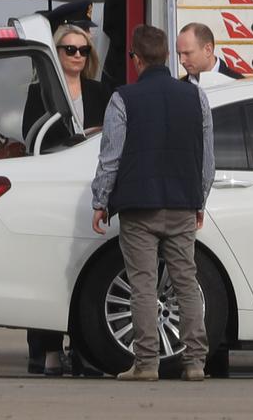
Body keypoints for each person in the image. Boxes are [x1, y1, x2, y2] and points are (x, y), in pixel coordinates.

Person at [90, 25, 215, 381]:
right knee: (185, 282)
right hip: (181, 206)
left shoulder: (122, 99)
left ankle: (146, 364)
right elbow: (207, 158)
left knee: (143, 284)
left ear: (136, 59)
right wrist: (199, 201)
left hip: (138, 208)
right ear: (167, 56)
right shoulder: (196, 98)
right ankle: (194, 362)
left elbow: (111, 157)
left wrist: (101, 200)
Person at [22, 21, 110, 376]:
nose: (76, 55)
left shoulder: (101, 92)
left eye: (82, 50)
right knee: (48, 270)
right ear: (55, 54)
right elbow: (32, 136)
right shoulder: (39, 91)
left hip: (89, 187)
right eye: (69, 49)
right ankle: (45, 350)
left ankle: (83, 349)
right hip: (51, 186)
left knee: (84, 270)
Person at [176, 22, 244, 84]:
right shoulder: (178, 88)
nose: (181, 61)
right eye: (179, 54)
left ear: (208, 50)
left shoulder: (237, 83)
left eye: (187, 53)